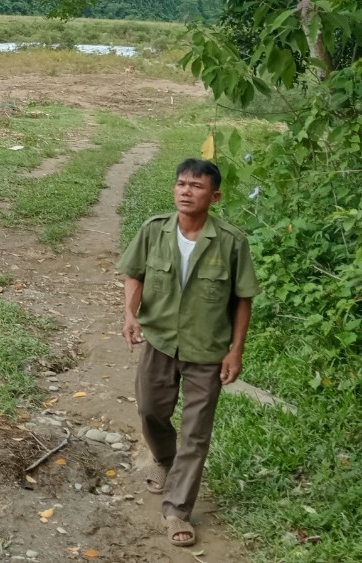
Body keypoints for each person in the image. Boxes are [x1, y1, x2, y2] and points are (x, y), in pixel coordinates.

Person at [117, 158, 259, 549]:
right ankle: (164, 460)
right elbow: (134, 274)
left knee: (196, 433)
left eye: (196, 186)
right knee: (151, 410)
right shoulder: (154, 231)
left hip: (207, 350)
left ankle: (177, 509)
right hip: (160, 340)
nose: (185, 191)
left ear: (214, 196)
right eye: (181, 184)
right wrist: (131, 315)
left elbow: (243, 298)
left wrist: (236, 350)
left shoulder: (231, 241)